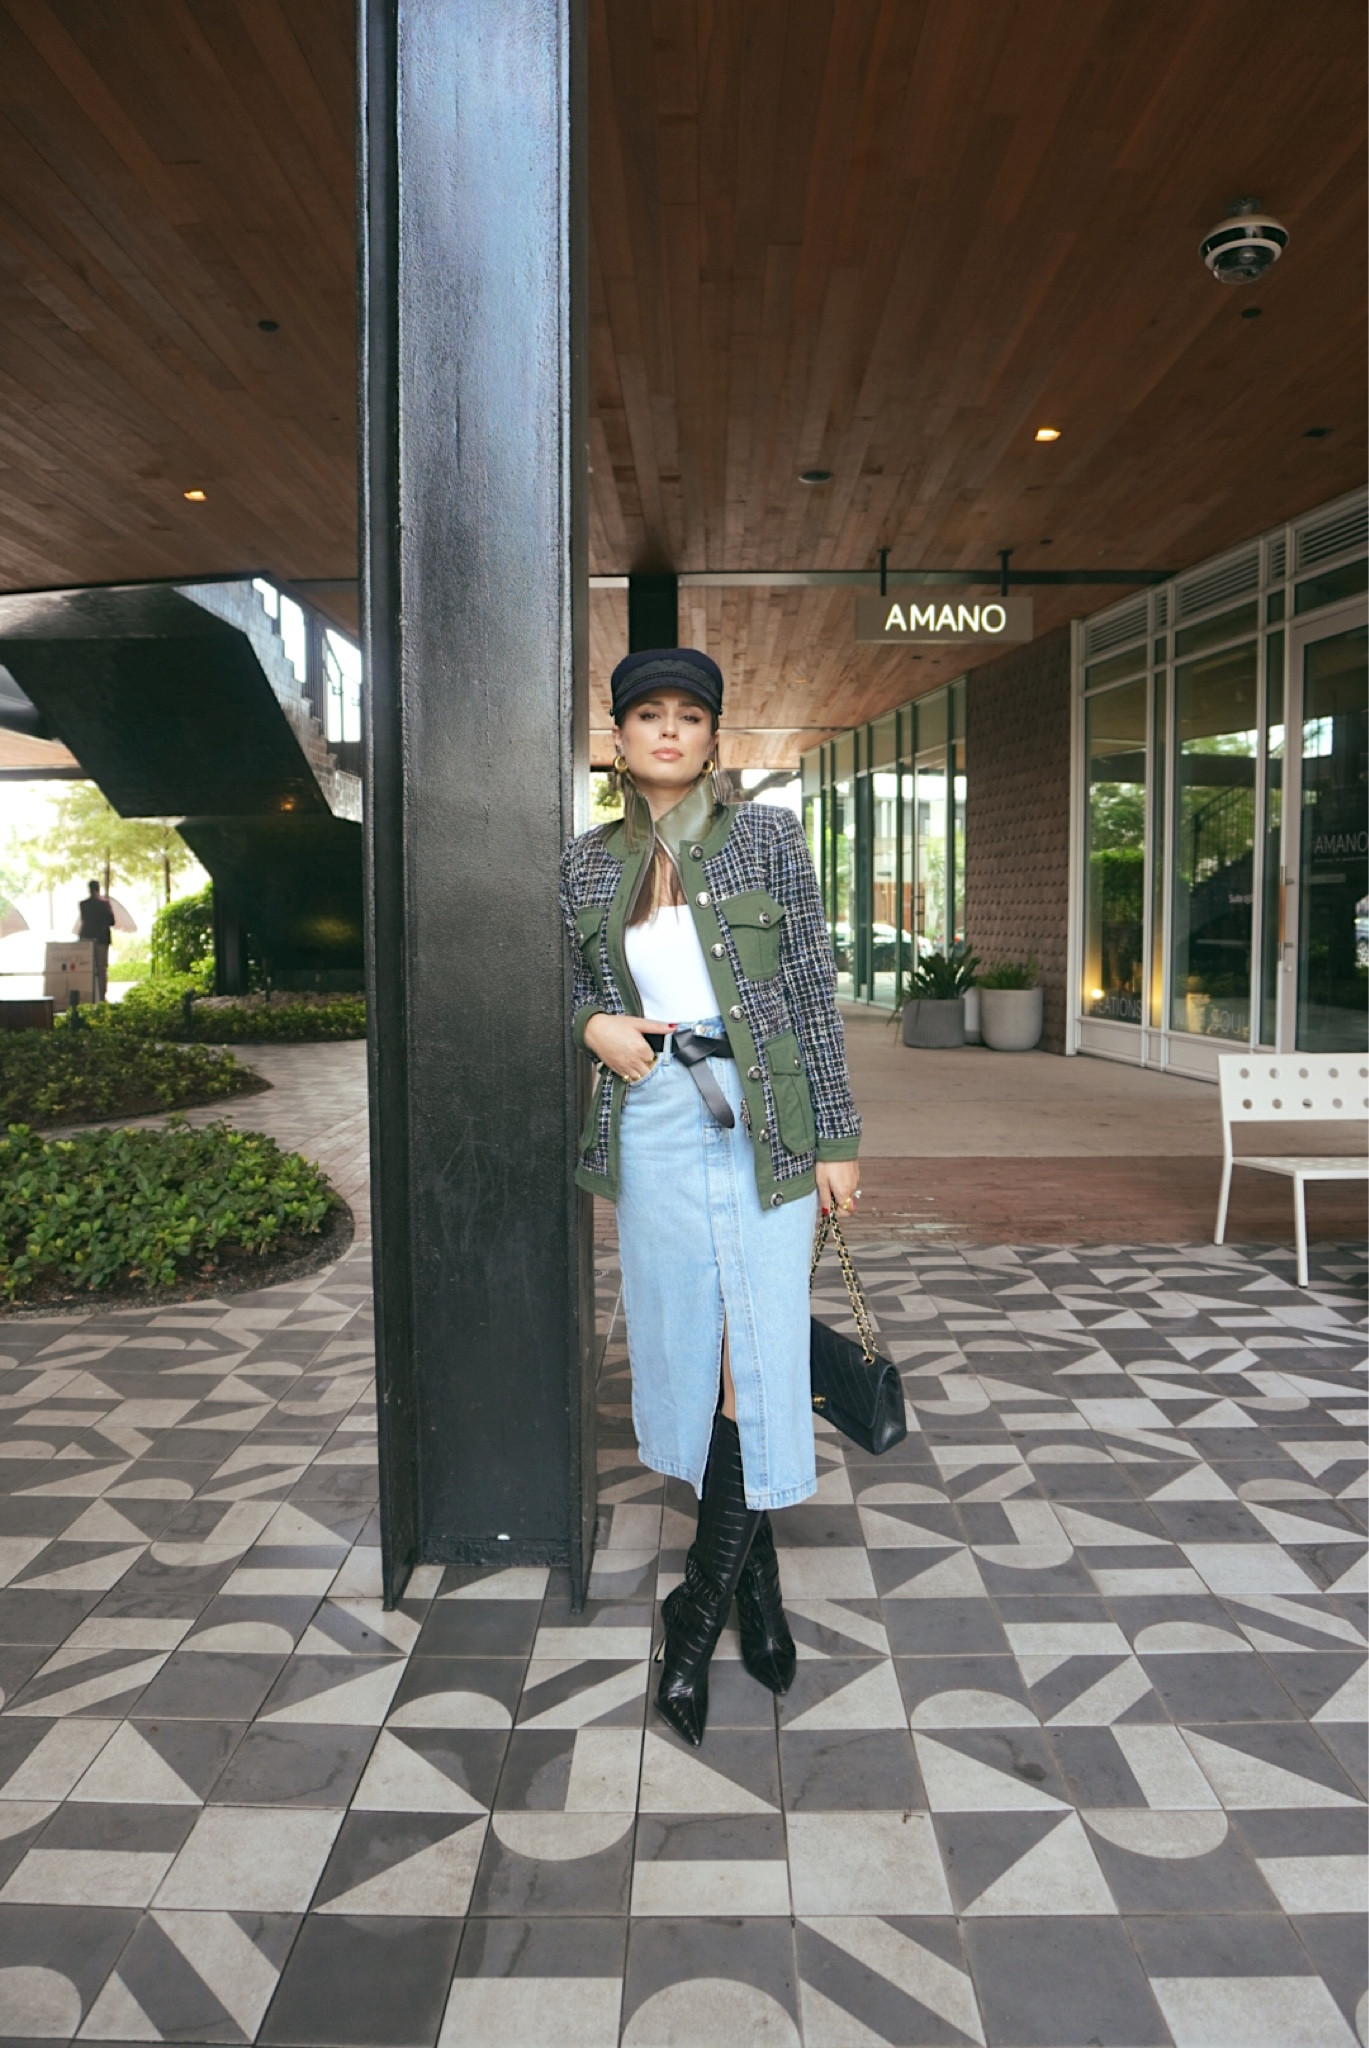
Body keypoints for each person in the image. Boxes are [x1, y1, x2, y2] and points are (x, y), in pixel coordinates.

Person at [560, 648, 861, 1745]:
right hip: (652, 1118)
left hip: (766, 1118)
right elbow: (563, 982)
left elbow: (811, 991)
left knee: (756, 1350)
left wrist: (837, 1135)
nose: (669, 731)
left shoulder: (768, 839)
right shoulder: (585, 864)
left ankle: (694, 1614)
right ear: (619, 736)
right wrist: (589, 1023)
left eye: (689, 716)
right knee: (690, 1338)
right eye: (649, 714)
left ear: (712, 738)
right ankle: (757, 1590)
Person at [77, 880, 115, 1001]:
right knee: (102, 968)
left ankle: (87, 995)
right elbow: (112, 921)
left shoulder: (83, 904)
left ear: (89, 889)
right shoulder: (105, 904)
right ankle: (102, 996)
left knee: (86, 968)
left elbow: (84, 920)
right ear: (99, 888)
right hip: (102, 939)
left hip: (86, 939)